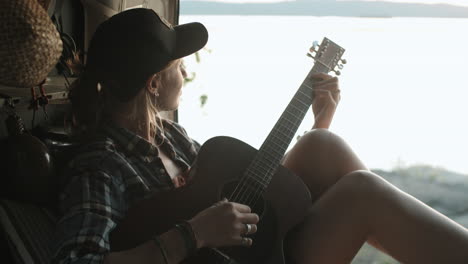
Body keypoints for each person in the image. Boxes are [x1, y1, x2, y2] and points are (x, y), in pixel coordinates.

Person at [51, 8, 468, 264]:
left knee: (322, 145)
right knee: (361, 193)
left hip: (246, 251)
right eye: (178, 64)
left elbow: (239, 199)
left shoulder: (170, 136)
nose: (186, 70)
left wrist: (320, 118)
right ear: (153, 85)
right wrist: (191, 235)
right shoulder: (100, 167)